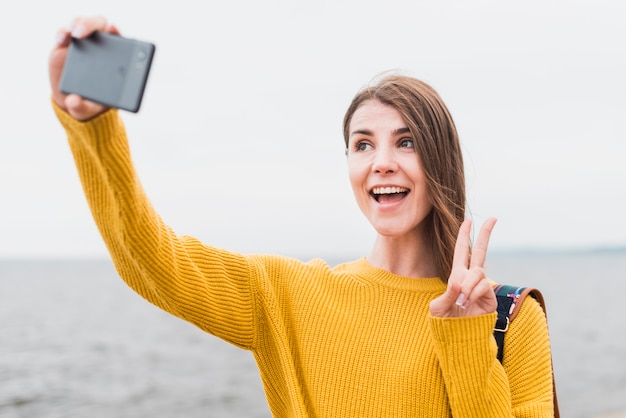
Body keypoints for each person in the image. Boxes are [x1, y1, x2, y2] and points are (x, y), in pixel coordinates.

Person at [49, 16, 555, 417]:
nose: (380, 161)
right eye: (362, 144)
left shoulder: (511, 320)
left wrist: (468, 336)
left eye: (406, 141)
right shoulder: (289, 294)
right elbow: (151, 260)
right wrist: (93, 127)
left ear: (441, 158)